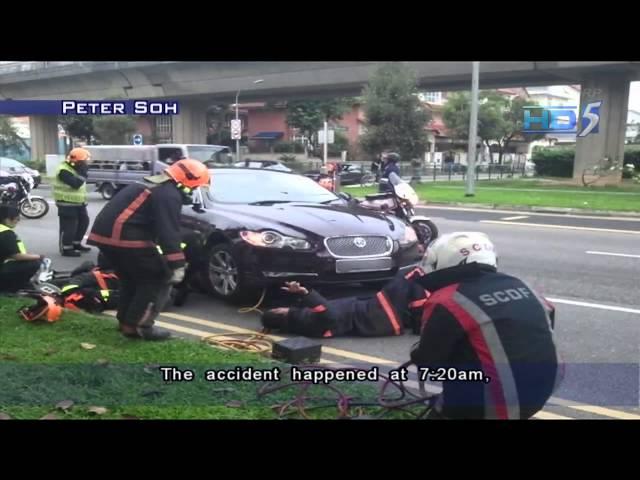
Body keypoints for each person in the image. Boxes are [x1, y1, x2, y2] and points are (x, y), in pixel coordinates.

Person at [409, 232, 562, 420]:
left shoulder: (448, 299)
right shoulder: (522, 285)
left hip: (493, 401)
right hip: (544, 385)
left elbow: (429, 362)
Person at [87, 159, 211, 341]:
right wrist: (177, 264)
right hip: (126, 238)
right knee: (157, 278)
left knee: (131, 279)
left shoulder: (150, 183)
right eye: (194, 187)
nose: (193, 192)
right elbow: (167, 230)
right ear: (189, 181)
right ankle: (141, 326)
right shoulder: (169, 194)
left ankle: (126, 322)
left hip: (106, 237)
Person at [261, 268, 430, 338]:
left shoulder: (299, 321)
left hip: (375, 314)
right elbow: (330, 315)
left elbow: (318, 310)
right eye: (278, 308)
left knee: (409, 288)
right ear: (278, 313)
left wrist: (300, 295)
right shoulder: (304, 322)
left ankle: (419, 316)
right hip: (377, 315)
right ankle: (419, 321)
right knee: (411, 275)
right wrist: (305, 293)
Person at [53, 147, 92, 257]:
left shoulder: (75, 169)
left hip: (79, 203)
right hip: (66, 203)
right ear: (77, 161)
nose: (86, 163)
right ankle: (66, 248)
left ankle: (76, 243)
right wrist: (83, 173)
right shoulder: (63, 170)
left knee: (84, 222)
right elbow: (75, 184)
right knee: (69, 226)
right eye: (84, 161)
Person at [0, 204, 46, 292]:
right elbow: (16, 256)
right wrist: (38, 256)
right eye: (17, 218)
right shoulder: (6, 233)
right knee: (33, 263)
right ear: (7, 219)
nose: (18, 221)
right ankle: (13, 287)